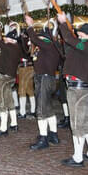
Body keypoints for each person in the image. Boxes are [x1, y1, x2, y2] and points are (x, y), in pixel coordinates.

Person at [57, 13, 88, 167]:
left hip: (79, 89)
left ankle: (78, 157)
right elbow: (70, 46)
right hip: (82, 88)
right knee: (86, 122)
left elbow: (70, 40)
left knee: (76, 123)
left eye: (81, 33)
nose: (79, 35)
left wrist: (63, 23)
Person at [25, 15, 61, 149]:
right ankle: (53, 134)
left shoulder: (49, 45)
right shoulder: (47, 47)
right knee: (48, 108)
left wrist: (30, 25)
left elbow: (34, 38)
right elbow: (31, 48)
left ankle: (43, 138)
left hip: (45, 79)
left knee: (40, 109)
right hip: (44, 78)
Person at [0, 23, 22, 137]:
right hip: (10, 76)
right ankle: (14, 123)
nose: (5, 40)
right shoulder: (13, 47)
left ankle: (3, 128)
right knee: (9, 100)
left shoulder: (11, 47)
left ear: (13, 40)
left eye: (7, 38)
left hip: (5, 77)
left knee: (2, 101)